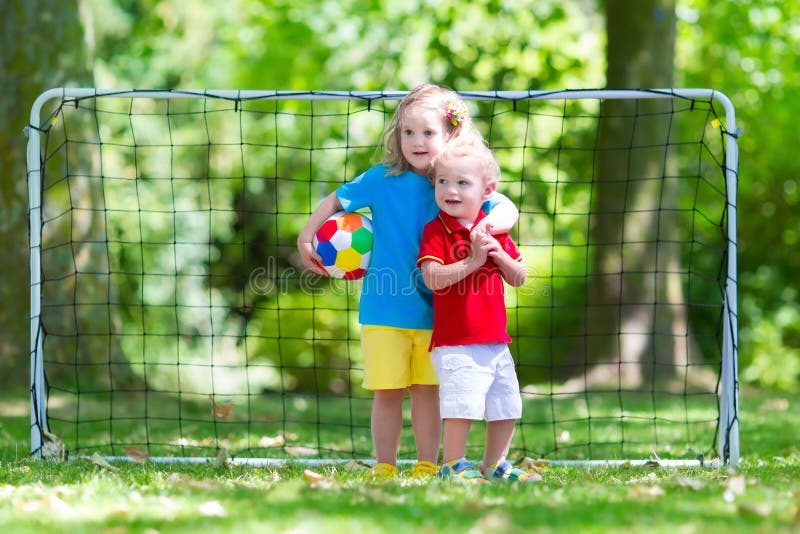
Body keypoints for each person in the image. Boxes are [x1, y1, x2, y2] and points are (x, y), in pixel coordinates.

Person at [297, 84, 519, 479]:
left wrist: (484, 228)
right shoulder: (381, 179)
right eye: (408, 132)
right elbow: (334, 200)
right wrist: (306, 235)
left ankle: (427, 464)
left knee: (428, 393)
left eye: (428, 133)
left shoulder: (454, 182)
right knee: (388, 392)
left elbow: (505, 205)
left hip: (438, 315)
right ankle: (384, 464)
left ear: (451, 134)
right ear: (396, 136)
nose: (416, 141)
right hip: (384, 309)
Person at [417, 134, 540, 483]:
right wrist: (473, 261)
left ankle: (494, 465)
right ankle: (453, 464)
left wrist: (496, 254)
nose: (450, 190)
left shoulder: (495, 232)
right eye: (443, 181)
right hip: (456, 342)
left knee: (506, 404)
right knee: (462, 405)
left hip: (496, 341)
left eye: (462, 182)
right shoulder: (435, 230)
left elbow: (519, 277)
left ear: (487, 191)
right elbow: (433, 279)